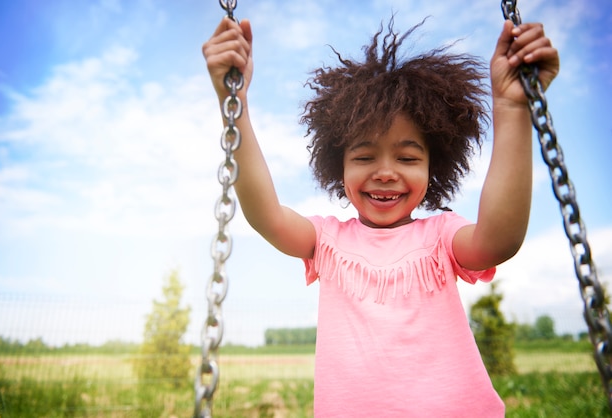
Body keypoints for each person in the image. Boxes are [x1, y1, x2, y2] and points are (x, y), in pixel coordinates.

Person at [203, 13, 559, 417]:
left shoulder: (441, 236)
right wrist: (235, 104)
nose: (386, 172)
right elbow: (266, 214)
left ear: (433, 166)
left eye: (407, 157)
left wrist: (512, 108)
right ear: (338, 166)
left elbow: (499, 240)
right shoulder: (327, 241)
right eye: (364, 156)